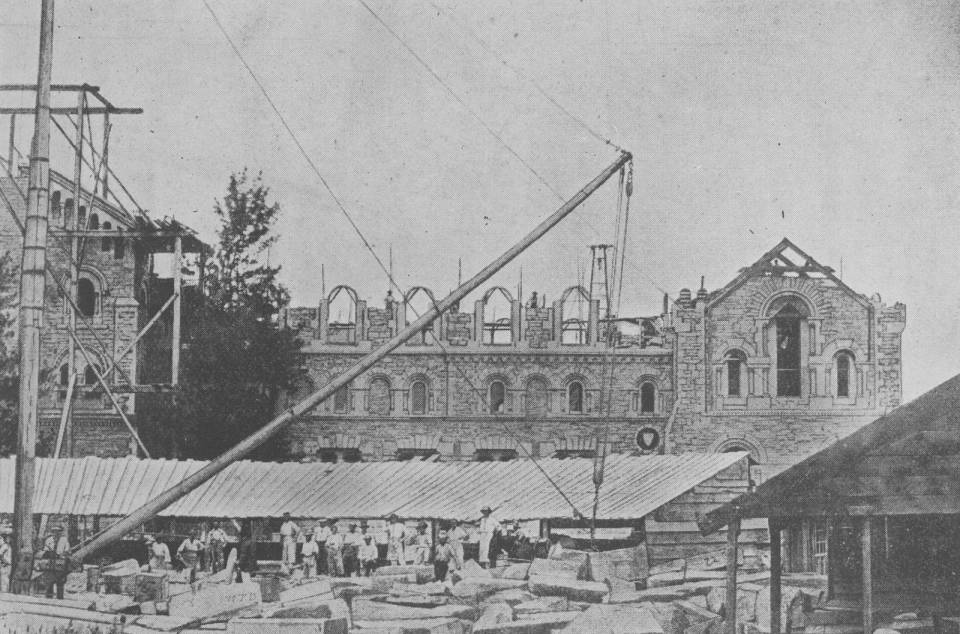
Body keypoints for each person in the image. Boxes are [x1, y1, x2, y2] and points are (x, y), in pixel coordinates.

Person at [40, 534, 66, 599]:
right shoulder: (49, 540)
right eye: (54, 531)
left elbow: (67, 550)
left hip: (60, 562)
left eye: (57, 531)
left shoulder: (64, 540)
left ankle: (60, 597)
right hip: (50, 562)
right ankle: (49, 596)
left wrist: (62, 554)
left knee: (60, 580)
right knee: (49, 580)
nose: (56, 533)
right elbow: (45, 550)